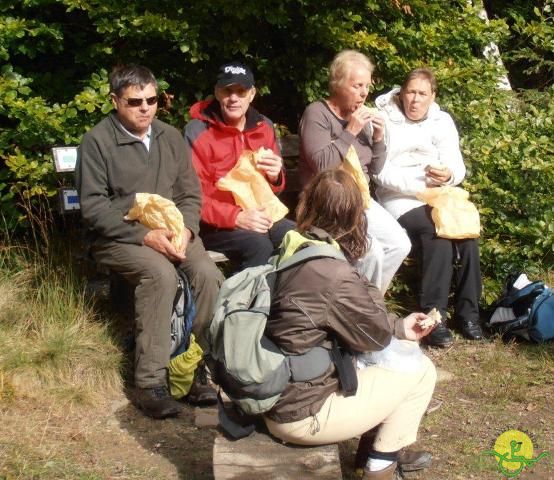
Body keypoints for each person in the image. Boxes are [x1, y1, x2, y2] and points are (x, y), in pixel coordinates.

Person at [263, 170, 437, 480]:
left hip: (276, 396)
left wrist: (399, 327)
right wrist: (394, 329)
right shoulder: (334, 273)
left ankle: (369, 458)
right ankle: (380, 467)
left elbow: (364, 325)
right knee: (420, 370)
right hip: (301, 415)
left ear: (306, 206)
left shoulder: (292, 247)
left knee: (390, 352)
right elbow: (374, 338)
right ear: (356, 215)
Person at [76, 64, 223, 419]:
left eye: (152, 100)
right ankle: (150, 382)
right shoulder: (97, 142)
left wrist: (186, 230)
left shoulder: (169, 137)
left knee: (206, 273)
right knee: (160, 275)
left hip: (174, 232)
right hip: (119, 236)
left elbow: (190, 194)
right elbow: (94, 208)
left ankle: (192, 369)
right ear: (115, 101)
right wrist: (146, 236)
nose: (145, 108)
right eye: (134, 101)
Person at [373, 68, 484, 347]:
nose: (415, 100)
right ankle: (433, 318)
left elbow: (456, 165)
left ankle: (469, 313)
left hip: (438, 192)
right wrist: (418, 186)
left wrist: (447, 176)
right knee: (437, 233)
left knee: (467, 232)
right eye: (410, 92)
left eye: (422, 94)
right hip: (399, 196)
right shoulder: (383, 117)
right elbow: (379, 170)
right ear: (401, 92)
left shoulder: (441, 120)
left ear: (432, 96)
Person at [298, 49, 411, 293]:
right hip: (326, 205)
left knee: (400, 244)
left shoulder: (358, 117)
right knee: (373, 253)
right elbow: (323, 167)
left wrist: (379, 137)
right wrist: (350, 130)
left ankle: (368, 305)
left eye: (367, 86)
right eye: (357, 86)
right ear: (338, 84)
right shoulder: (317, 113)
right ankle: (357, 310)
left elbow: (376, 168)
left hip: (359, 199)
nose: (364, 93)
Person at [184, 61, 295, 270]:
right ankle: (246, 303)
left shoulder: (265, 126)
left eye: (241, 91)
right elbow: (193, 195)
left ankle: (286, 300)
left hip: (262, 215)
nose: (233, 98)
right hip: (215, 225)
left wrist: (275, 176)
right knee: (258, 245)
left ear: (252, 94)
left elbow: (275, 189)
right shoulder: (197, 131)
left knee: (297, 239)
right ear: (217, 93)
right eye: (227, 91)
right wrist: (236, 217)